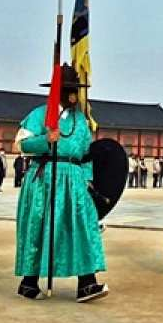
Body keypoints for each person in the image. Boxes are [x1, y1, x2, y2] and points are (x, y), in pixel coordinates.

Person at [14, 67, 107, 302]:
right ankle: (28, 281)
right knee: (40, 226)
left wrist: (87, 179)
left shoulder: (81, 120)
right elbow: (21, 145)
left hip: (74, 179)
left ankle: (87, 283)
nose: (73, 95)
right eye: (68, 90)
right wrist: (44, 140)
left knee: (82, 226)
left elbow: (87, 154)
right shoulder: (39, 115)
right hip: (45, 177)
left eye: (75, 90)